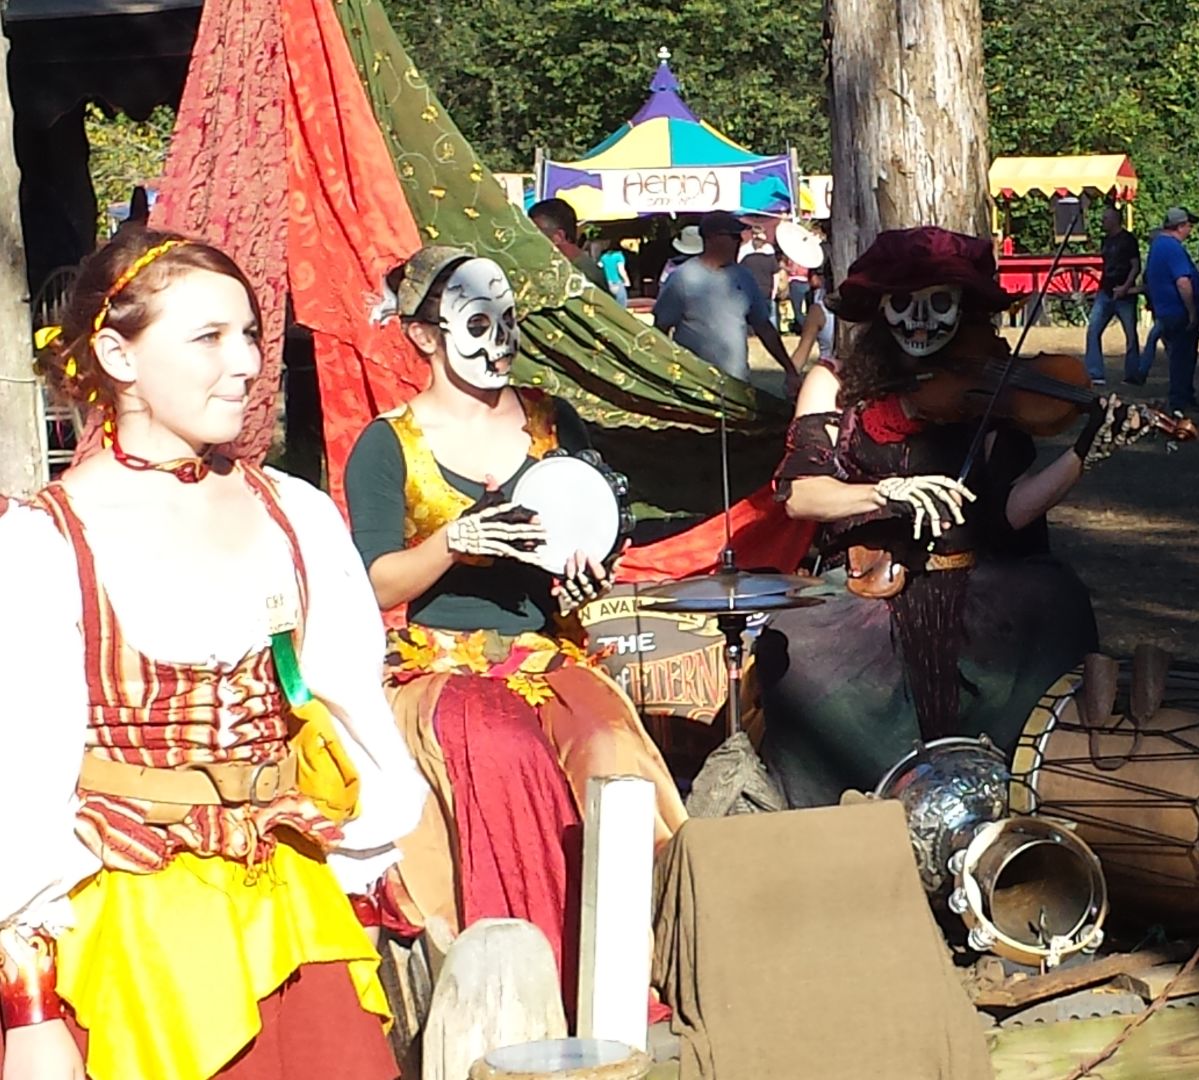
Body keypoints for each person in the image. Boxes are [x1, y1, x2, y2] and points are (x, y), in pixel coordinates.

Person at [0, 228, 426, 1080]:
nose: (244, 364)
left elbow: (350, 717)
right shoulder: (48, 544)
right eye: (208, 338)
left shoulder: (293, 513)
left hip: (295, 912)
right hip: (134, 940)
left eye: (250, 336)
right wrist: (30, 1015)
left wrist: (361, 875)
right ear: (118, 354)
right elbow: (18, 787)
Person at [343, 247, 688, 1001]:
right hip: (439, 665)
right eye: (475, 322)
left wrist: (589, 572)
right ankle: (529, 986)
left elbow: (590, 533)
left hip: (545, 654)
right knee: (502, 752)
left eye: (508, 322)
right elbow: (375, 581)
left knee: (613, 752)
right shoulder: (388, 444)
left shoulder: (549, 421)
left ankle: (633, 977)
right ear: (425, 335)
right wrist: (450, 543)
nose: (498, 341)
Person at [756, 227, 1153, 806]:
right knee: (798, 649)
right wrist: (885, 493)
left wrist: (1083, 456)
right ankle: (856, 812)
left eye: (940, 304)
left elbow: (1006, 515)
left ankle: (1017, 801)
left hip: (978, 579)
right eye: (905, 304)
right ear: (879, 307)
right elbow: (799, 494)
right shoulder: (835, 383)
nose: (921, 322)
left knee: (1055, 603)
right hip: (870, 587)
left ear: (964, 308)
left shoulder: (990, 384)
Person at [651, 211, 801, 395]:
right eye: (734, 236)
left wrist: (790, 369)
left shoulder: (744, 277)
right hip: (694, 387)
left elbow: (764, 327)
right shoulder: (682, 279)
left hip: (736, 387)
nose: (740, 241)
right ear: (713, 238)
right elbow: (660, 331)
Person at [1145, 207, 1199, 412]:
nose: (1190, 230)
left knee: (1179, 356)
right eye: (1188, 225)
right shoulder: (1173, 248)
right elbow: (1182, 282)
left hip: (1165, 311)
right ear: (1179, 226)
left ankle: (1184, 396)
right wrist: (1192, 310)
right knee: (1183, 358)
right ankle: (1180, 400)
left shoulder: (1158, 245)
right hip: (1178, 311)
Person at [1085, 206, 1141, 387]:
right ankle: (1095, 372)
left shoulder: (1128, 240)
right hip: (1105, 291)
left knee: (1130, 335)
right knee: (1093, 330)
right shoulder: (1106, 241)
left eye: (1106, 219)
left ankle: (1132, 374)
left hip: (1124, 293)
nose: (1103, 222)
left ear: (1115, 220)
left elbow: (1135, 265)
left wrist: (1126, 287)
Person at [528, 198, 610, 292]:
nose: (530, 241)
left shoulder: (583, 276)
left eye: (536, 234)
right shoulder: (566, 270)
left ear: (558, 236)